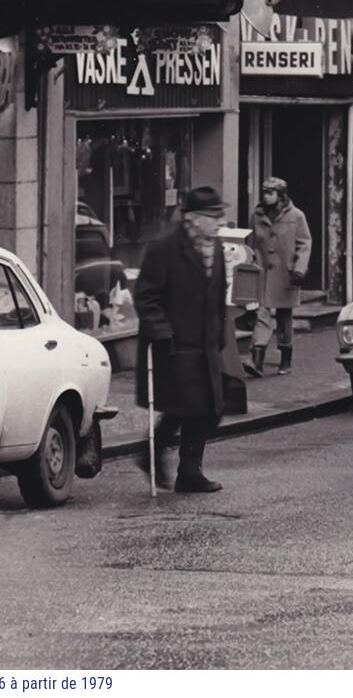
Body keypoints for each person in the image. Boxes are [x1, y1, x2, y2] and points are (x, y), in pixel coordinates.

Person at [133, 187, 229, 493]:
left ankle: (189, 471)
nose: (218, 222)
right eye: (213, 217)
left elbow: (218, 294)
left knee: (210, 408)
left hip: (206, 342)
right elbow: (146, 296)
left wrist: (221, 333)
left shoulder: (215, 248)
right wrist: (161, 332)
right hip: (176, 343)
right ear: (194, 219)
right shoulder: (165, 247)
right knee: (184, 407)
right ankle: (153, 454)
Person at [247, 177, 312, 377]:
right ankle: (257, 359)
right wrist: (250, 263)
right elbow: (251, 243)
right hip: (263, 272)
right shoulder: (257, 215)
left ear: (281, 195)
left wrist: (300, 269)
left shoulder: (296, 216)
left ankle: (286, 358)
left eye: (270, 192)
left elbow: (305, 243)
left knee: (284, 317)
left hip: (287, 273)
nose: (265, 196)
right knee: (262, 313)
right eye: (264, 192)